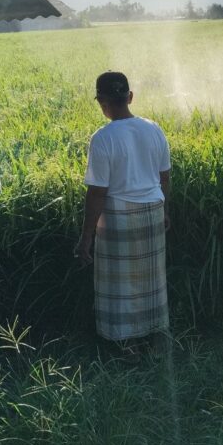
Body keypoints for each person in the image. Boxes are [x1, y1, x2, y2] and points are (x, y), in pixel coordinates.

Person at [75, 71, 171, 358]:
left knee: (121, 285)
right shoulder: (153, 128)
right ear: (130, 97)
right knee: (151, 280)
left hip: (119, 216)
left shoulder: (103, 138)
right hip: (153, 211)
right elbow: (165, 176)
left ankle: (127, 344)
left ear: (101, 102)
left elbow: (97, 193)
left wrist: (86, 238)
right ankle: (153, 338)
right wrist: (165, 210)